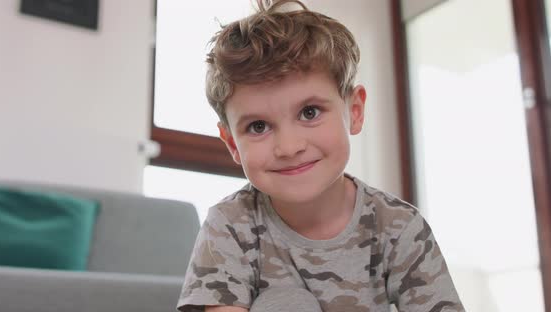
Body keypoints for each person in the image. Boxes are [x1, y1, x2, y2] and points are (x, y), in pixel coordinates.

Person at [177, 1, 465, 311]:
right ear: (232, 144)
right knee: (287, 304)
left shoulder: (400, 227)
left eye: (309, 112)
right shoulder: (230, 224)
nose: (289, 147)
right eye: (258, 126)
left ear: (354, 111)